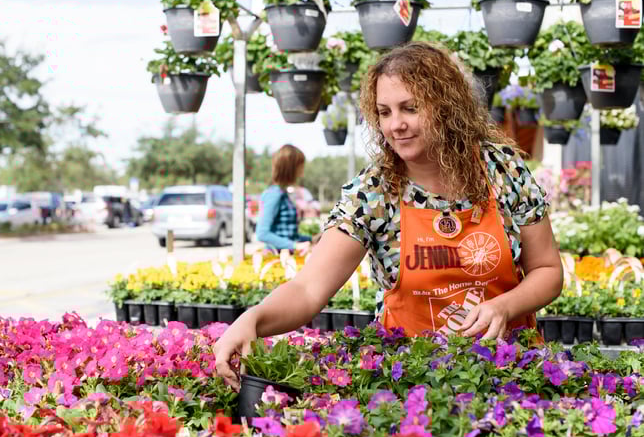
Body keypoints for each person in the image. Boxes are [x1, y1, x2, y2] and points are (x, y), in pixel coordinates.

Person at [215, 42, 563, 390]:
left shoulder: (501, 169)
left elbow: (547, 270)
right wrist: (253, 319)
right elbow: (307, 289)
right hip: (414, 385)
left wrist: (504, 306)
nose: (396, 125)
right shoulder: (374, 192)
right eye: (384, 112)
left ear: (446, 106)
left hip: (512, 375)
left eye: (410, 108)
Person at [255, 144, 312, 254]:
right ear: (291, 168)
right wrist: (295, 245)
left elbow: (286, 234)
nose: (302, 170)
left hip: (285, 256)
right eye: (300, 165)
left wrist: (309, 239)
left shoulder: (282, 193)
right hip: (276, 258)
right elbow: (262, 233)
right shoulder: (274, 194)